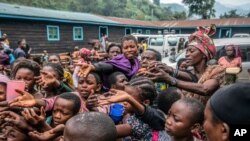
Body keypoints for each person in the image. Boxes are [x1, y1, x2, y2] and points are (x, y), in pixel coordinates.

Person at [147, 24, 225, 104]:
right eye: (187, 51)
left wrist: (170, 79)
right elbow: (184, 75)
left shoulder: (217, 70)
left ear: (204, 54)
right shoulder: (190, 72)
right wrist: (166, 68)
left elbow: (205, 89)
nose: (187, 54)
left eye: (191, 51)